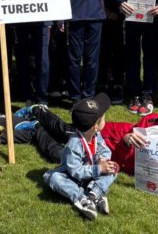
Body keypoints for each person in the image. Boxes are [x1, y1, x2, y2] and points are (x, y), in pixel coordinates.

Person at [34, 90, 158, 193]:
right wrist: (128, 138)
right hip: (108, 138)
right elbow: (131, 136)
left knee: (57, 153)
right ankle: (39, 112)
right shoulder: (154, 121)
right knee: (66, 131)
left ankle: (36, 129)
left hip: (113, 160)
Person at [43, 93, 118, 221]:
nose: (105, 119)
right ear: (95, 126)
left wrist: (103, 159)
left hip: (91, 175)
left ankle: (93, 195)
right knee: (52, 177)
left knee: (113, 168)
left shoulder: (96, 135)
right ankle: (82, 198)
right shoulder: (74, 145)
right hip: (73, 177)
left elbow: (103, 149)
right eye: (103, 118)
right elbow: (75, 171)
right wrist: (98, 169)